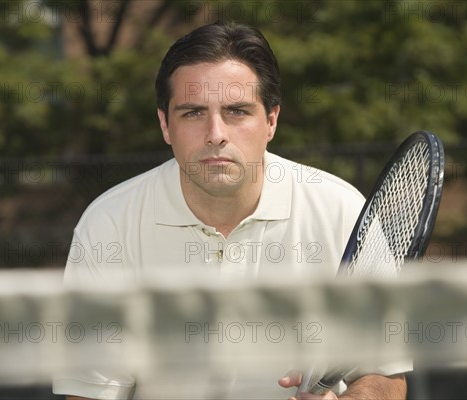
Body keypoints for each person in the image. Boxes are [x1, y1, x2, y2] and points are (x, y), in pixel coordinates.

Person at [52, 21, 409, 400]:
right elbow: (88, 392)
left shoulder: (341, 210)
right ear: (165, 124)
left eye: (236, 111)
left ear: (271, 120)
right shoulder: (109, 224)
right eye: (192, 113)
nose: (215, 133)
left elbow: (383, 375)